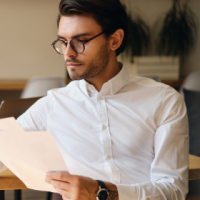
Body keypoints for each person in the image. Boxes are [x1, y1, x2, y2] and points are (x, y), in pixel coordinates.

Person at [2, 0, 189, 200]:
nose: (68, 53)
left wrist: (104, 193)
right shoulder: (53, 105)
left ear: (115, 40)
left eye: (80, 41)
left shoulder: (164, 101)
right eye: (63, 42)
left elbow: (173, 191)